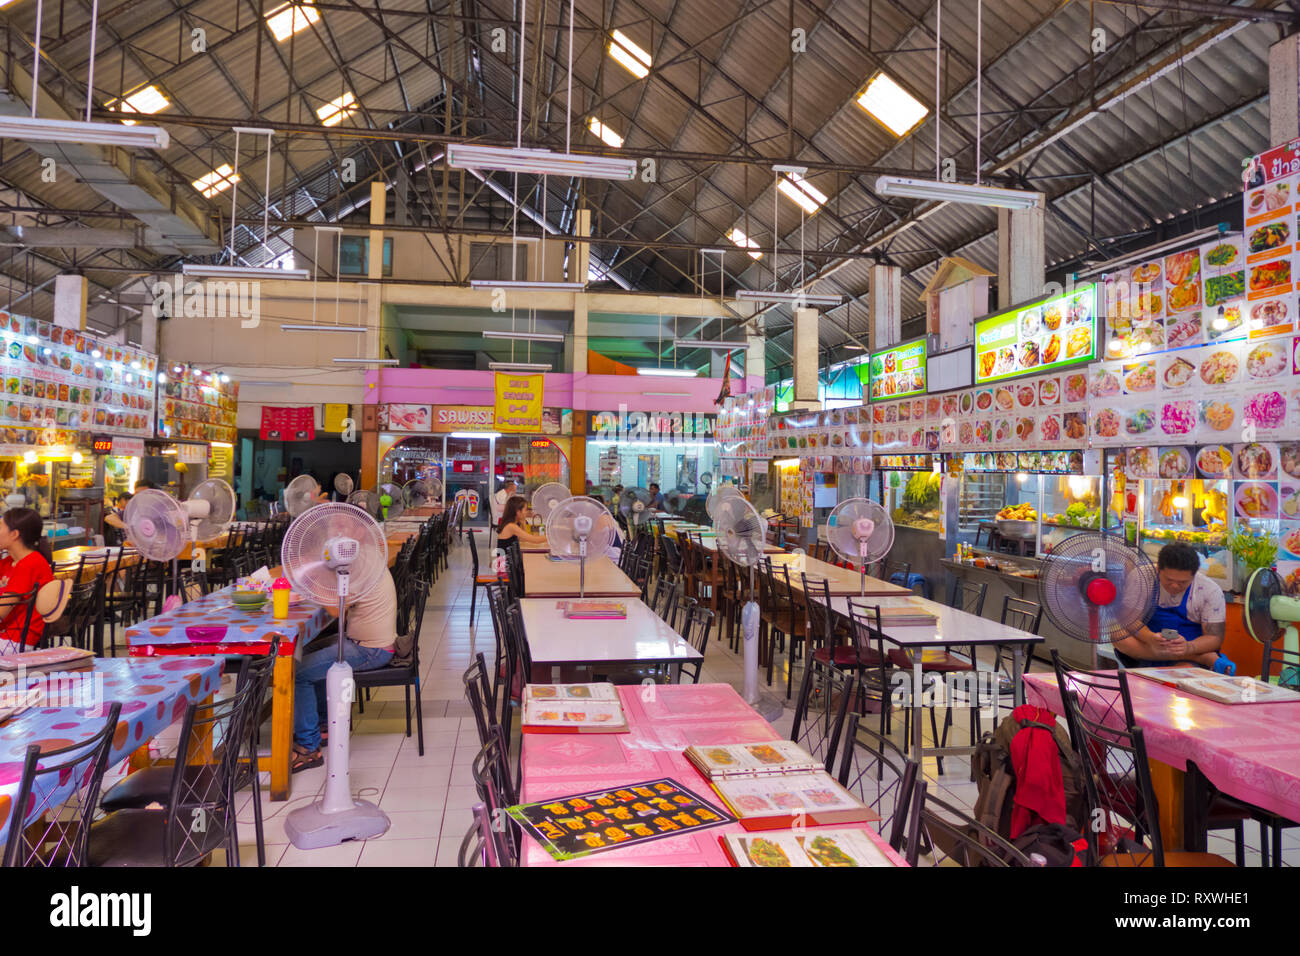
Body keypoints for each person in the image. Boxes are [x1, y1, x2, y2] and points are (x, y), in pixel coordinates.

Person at [291, 568, 398, 771]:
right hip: (364, 641)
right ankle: (322, 726)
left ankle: (308, 748)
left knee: (298, 672)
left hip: (370, 649)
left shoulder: (362, 570)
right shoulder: (369, 562)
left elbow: (336, 610)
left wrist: (315, 580)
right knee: (305, 654)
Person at [1112, 542, 1229, 671]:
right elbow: (1128, 618)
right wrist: (1149, 637)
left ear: (1194, 574)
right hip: (1149, 645)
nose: (1174, 586)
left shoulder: (1210, 590)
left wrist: (1188, 647)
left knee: (1181, 672)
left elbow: (1214, 638)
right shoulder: (1141, 577)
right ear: (1158, 569)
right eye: (1169, 580)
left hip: (1186, 648)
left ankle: (1188, 657)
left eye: (1182, 583)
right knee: (1117, 634)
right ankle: (1197, 657)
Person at [0, 508, 54, 654]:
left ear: (14, 534)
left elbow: (1, 612)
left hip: (14, 641)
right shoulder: (8, 562)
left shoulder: (30, 564)